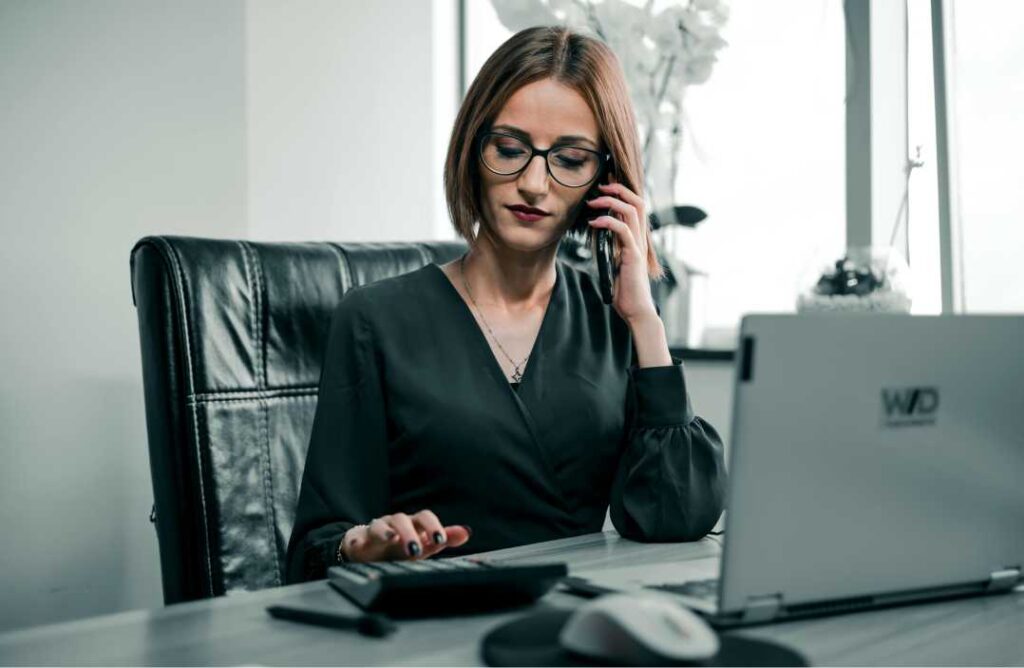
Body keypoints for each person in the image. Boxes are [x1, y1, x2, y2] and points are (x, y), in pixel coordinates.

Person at [285, 26, 726, 583]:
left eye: (569, 159)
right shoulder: (375, 319)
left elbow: (676, 515)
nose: (535, 184)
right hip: (430, 629)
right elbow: (313, 552)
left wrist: (645, 321)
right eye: (511, 150)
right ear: (474, 148)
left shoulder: (613, 319)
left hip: (574, 622)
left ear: (603, 179)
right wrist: (360, 547)